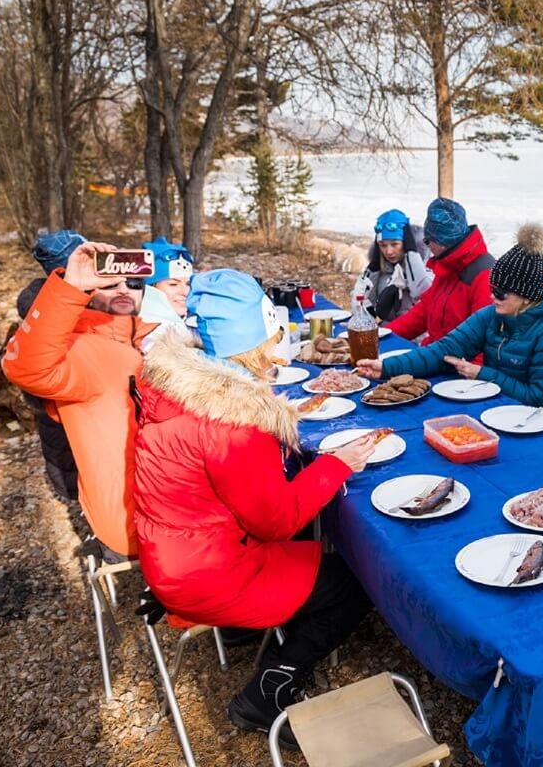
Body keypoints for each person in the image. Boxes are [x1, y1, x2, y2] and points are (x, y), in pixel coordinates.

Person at [132, 270, 375, 742]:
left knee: (316, 546)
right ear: (257, 339)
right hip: (208, 575)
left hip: (171, 556)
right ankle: (268, 694)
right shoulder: (233, 423)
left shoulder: (176, 388)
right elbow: (277, 523)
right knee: (354, 581)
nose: (278, 347)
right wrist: (336, 464)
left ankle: (242, 632)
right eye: (274, 335)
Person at [3, 242, 155, 558]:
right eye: (109, 284)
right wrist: (71, 287)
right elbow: (28, 367)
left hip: (168, 502)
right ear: (90, 292)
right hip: (138, 518)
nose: (123, 290)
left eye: (134, 282)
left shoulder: (146, 336)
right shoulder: (80, 351)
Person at [357, 223, 543, 414]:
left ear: (526, 297)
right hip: (504, 407)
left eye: (500, 293)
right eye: (492, 289)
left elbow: (538, 399)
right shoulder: (492, 315)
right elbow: (444, 349)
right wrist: (385, 368)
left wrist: (483, 373)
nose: (492, 297)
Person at [15, 230, 85, 506]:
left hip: (60, 408)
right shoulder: (57, 307)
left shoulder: (42, 303)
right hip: (62, 407)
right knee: (69, 459)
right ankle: (75, 500)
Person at [384, 197, 493, 346]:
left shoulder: (485, 277)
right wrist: (381, 335)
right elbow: (423, 312)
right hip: (435, 355)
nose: (428, 247)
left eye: (427, 241)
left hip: (457, 364)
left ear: (442, 242)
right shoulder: (448, 265)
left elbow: (483, 343)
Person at [352, 209, 432, 323]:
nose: (389, 251)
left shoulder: (426, 267)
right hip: (387, 333)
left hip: (414, 338)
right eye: (383, 245)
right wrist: (373, 268)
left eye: (394, 244)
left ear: (406, 242)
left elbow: (422, 290)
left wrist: (411, 254)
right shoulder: (380, 270)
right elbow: (359, 305)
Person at [139, 237, 195, 326]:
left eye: (188, 284)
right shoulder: (147, 331)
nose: (185, 292)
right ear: (151, 287)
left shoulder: (197, 324)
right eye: (173, 284)